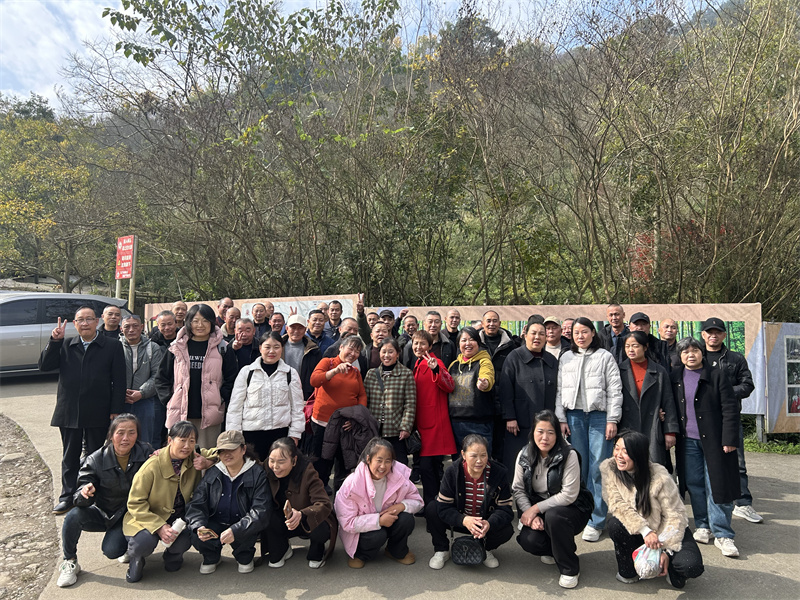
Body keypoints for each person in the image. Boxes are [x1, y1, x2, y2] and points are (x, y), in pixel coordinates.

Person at [39, 306, 126, 514]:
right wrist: (54, 341)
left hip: (99, 410)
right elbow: (44, 366)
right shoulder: (66, 344)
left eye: (89, 319)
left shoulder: (112, 346)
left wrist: (116, 409)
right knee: (70, 457)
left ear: (97, 321)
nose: (85, 323)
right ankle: (67, 496)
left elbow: (119, 380)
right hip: (69, 411)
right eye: (80, 320)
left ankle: (93, 497)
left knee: (96, 456)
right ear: (75, 324)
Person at [56, 414, 152, 587]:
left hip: (133, 516)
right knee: (73, 516)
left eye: (131, 432)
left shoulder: (146, 452)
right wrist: (85, 493)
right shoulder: (95, 459)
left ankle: (130, 546)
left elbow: (170, 459)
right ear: (111, 435)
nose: (125, 438)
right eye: (120, 432)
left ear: (137, 435)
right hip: (106, 513)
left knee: (113, 550)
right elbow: (78, 496)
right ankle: (70, 561)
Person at [601, 431, 704, 589]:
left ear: (639, 454)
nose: (619, 455)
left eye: (625, 451)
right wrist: (645, 531)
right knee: (615, 524)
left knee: (691, 566)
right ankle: (631, 568)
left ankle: (670, 567)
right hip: (640, 532)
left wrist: (665, 550)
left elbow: (675, 515)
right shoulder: (610, 469)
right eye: (617, 448)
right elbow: (617, 505)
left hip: (667, 532)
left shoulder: (659, 476)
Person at [671, 336, 741, 558]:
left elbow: (730, 408)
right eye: (685, 352)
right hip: (687, 441)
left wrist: (729, 439)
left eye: (694, 350)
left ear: (702, 353)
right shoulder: (676, 376)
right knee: (694, 483)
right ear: (680, 356)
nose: (690, 355)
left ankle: (723, 533)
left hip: (715, 441)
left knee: (717, 484)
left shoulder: (717, 375)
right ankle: (703, 525)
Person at [555, 316, 623, 542]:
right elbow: (559, 390)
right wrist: (561, 418)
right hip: (573, 416)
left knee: (598, 468)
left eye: (584, 331)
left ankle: (597, 519)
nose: (580, 336)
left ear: (593, 333)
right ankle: (580, 513)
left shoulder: (604, 356)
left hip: (598, 417)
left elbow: (615, 390)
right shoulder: (566, 357)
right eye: (576, 332)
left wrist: (612, 419)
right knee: (578, 466)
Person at [122, 420, 216, 583]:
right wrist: (159, 526)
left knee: (185, 539)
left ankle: (173, 556)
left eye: (192, 441)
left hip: (178, 519)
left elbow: (223, 452)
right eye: (182, 440)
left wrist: (208, 462)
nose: (187, 446)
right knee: (143, 543)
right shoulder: (151, 466)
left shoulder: (194, 455)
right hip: (147, 518)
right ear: (170, 440)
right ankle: (136, 559)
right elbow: (135, 503)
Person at [513, 410, 593, 589]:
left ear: (557, 434)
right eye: (540, 431)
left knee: (554, 517)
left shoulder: (569, 454)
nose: (545, 437)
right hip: (541, 508)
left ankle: (570, 568)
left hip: (573, 508)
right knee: (529, 540)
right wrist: (531, 514)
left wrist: (535, 509)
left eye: (550, 432)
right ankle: (556, 548)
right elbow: (518, 489)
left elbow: (569, 494)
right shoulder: (524, 454)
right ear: (533, 432)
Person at [701, 317, 762, 524]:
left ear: (724, 335)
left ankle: (743, 503)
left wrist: (724, 393)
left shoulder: (735, 358)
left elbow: (747, 385)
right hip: (702, 419)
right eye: (709, 332)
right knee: (702, 463)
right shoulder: (697, 356)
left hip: (729, 417)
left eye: (717, 332)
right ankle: (705, 506)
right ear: (703, 335)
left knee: (737, 462)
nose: (713, 336)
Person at [186, 430, 270, 575]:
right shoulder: (213, 471)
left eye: (231, 449)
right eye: (222, 451)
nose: (226, 454)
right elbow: (197, 503)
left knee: (245, 564)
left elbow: (261, 510)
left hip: (242, 523)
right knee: (195, 533)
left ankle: (244, 554)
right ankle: (211, 556)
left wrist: (236, 530)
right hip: (216, 521)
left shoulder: (257, 473)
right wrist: (199, 526)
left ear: (243, 449)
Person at [155, 303, 238, 449]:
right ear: (188, 322)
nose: (200, 325)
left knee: (206, 455)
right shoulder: (176, 347)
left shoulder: (223, 348)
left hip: (210, 415)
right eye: (195, 321)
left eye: (205, 320)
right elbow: (161, 378)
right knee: (179, 453)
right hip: (180, 413)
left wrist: (221, 398)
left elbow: (232, 378)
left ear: (212, 322)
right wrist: (169, 399)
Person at [425, 434, 514, 570]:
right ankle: (441, 549)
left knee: (506, 529)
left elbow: (505, 509)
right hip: (460, 519)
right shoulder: (452, 472)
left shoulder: (499, 473)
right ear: (463, 454)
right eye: (473, 456)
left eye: (483, 455)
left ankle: (485, 548)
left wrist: (489, 523)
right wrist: (464, 519)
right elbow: (444, 507)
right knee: (432, 508)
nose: (479, 461)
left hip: (483, 522)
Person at [335, 437, 423, 568]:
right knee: (377, 535)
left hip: (389, 521)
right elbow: (347, 522)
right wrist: (378, 521)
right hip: (362, 531)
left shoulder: (399, 477)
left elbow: (418, 501)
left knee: (406, 519)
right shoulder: (352, 484)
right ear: (368, 459)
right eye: (379, 460)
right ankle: (360, 554)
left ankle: (395, 551)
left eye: (388, 461)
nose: (383, 466)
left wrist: (402, 506)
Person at [227, 332, 304, 460]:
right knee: (252, 469)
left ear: (282, 348)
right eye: (267, 347)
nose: (271, 351)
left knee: (278, 468)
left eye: (276, 347)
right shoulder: (247, 372)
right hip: (250, 434)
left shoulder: (290, 373)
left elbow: (297, 407)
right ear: (260, 348)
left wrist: (295, 434)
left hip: (281, 434)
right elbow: (235, 407)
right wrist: (235, 436)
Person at [263, 438, 338, 568]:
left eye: (281, 462)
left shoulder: (308, 472)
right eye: (272, 460)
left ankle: (317, 551)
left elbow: (324, 503)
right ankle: (282, 548)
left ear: (294, 460)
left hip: (306, 521)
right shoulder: (266, 467)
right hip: (282, 519)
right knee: (266, 516)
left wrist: (302, 514)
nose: (275, 466)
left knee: (321, 525)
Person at [309, 336, 368, 489]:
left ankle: (341, 498)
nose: (353, 353)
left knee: (344, 465)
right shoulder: (327, 362)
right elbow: (314, 380)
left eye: (357, 351)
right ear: (341, 347)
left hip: (345, 426)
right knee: (321, 463)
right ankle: (318, 496)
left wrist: (356, 417)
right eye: (351, 348)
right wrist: (334, 371)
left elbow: (361, 395)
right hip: (323, 424)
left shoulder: (355, 371)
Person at [500, 320, 558, 468]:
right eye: (533, 333)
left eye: (541, 334)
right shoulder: (514, 357)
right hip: (520, 422)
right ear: (525, 335)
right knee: (518, 462)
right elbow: (506, 389)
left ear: (546, 338)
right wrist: (510, 417)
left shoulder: (551, 360)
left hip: (546, 421)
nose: (537, 337)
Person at [618, 331, 678, 467]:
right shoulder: (619, 370)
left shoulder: (659, 371)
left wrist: (670, 431)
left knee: (654, 467)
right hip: (627, 426)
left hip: (652, 427)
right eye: (627, 346)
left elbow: (668, 402)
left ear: (645, 347)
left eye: (635, 346)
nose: (631, 349)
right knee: (629, 466)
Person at [410, 330, 457, 505]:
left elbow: (449, 385)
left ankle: (434, 504)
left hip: (434, 424)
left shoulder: (435, 362)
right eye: (415, 343)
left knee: (429, 468)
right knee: (429, 468)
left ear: (430, 346)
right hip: (423, 423)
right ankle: (434, 504)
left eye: (422, 344)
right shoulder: (417, 363)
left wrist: (436, 369)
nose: (418, 347)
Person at [364, 338, 416, 465]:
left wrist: (406, 427)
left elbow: (410, 404)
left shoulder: (406, 374)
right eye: (383, 352)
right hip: (375, 429)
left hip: (396, 430)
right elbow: (365, 401)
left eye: (391, 352)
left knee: (399, 465)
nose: (386, 355)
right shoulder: (371, 374)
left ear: (397, 353)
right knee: (376, 464)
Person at [121, 315, 165, 450]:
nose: (131, 330)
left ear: (141, 327)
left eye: (135, 326)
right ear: (121, 329)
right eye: (127, 326)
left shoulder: (153, 347)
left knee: (146, 440)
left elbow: (157, 375)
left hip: (145, 400)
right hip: (120, 400)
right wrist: (120, 392)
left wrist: (141, 392)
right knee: (122, 439)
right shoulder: (115, 346)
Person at [448, 327, 496, 450]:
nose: (468, 343)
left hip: (479, 424)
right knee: (459, 460)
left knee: (479, 459)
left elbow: (487, 375)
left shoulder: (484, 361)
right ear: (458, 344)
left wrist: (485, 383)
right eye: (464, 340)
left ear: (478, 343)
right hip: (455, 423)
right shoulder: (454, 365)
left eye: (472, 339)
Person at [282, 314, 322, 402]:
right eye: (293, 328)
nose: (296, 331)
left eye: (300, 328)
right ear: (287, 328)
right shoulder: (277, 347)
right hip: (281, 393)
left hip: (304, 395)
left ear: (305, 329)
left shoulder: (313, 350)